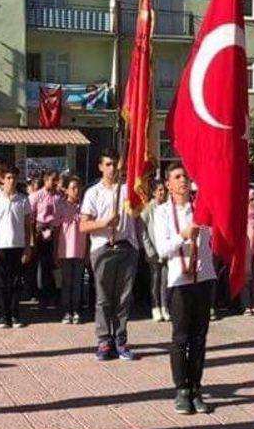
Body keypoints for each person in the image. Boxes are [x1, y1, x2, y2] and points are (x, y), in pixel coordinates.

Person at [154, 163, 217, 415]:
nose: (183, 181)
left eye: (186, 177)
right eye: (177, 177)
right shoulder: (162, 212)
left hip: (204, 276)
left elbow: (214, 236)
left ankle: (196, 388)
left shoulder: (201, 208)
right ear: (168, 184)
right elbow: (162, 249)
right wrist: (183, 235)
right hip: (179, 281)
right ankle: (181, 389)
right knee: (181, 338)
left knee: (199, 338)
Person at [80, 150, 138, 361]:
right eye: (108, 164)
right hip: (103, 247)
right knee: (104, 298)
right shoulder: (93, 193)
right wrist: (105, 223)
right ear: (101, 167)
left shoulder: (128, 190)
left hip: (126, 247)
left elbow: (141, 208)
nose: (112, 169)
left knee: (124, 298)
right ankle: (104, 340)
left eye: (115, 164)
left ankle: (120, 339)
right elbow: (84, 225)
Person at [0, 166, 34, 329]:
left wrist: (28, 247)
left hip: (17, 245)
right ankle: (3, 316)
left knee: (16, 283)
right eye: (8, 178)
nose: (11, 181)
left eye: (14, 178)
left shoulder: (23, 200)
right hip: (1, 246)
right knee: (1, 283)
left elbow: (27, 226)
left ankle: (15, 314)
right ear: (2, 179)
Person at [55, 176, 88, 324]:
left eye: (78, 188)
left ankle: (76, 310)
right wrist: (55, 252)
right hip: (65, 250)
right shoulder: (61, 206)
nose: (76, 191)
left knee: (78, 282)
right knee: (66, 283)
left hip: (80, 250)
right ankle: (66, 311)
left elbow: (88, 231)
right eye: (73, 188)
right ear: (66, 190)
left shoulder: (84, 207)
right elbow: (57, 231)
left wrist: (88, 251)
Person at [29, 170, 62, 309]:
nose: (55, 183)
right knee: (42, 266)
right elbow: (30, 219)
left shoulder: (59, 197)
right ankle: (42, 296)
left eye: (56, 180)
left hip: (55, 232)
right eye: (52, 180)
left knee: (55, 264)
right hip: (40, 234)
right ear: (45, 180)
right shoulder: (36, 196)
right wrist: (32, 239)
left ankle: (56, 294)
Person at [140, 180, 170, 322]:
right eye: (159, 190)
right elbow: (143, 232)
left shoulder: (168, 208)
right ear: (153, 192)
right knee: (155, 280)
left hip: (166, 250)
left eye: (164, 190)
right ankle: (155, 307)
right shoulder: (147, 209)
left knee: (165, 280)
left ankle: (165, 306)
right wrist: (150, 251)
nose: (162, 192)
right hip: (153, 252)